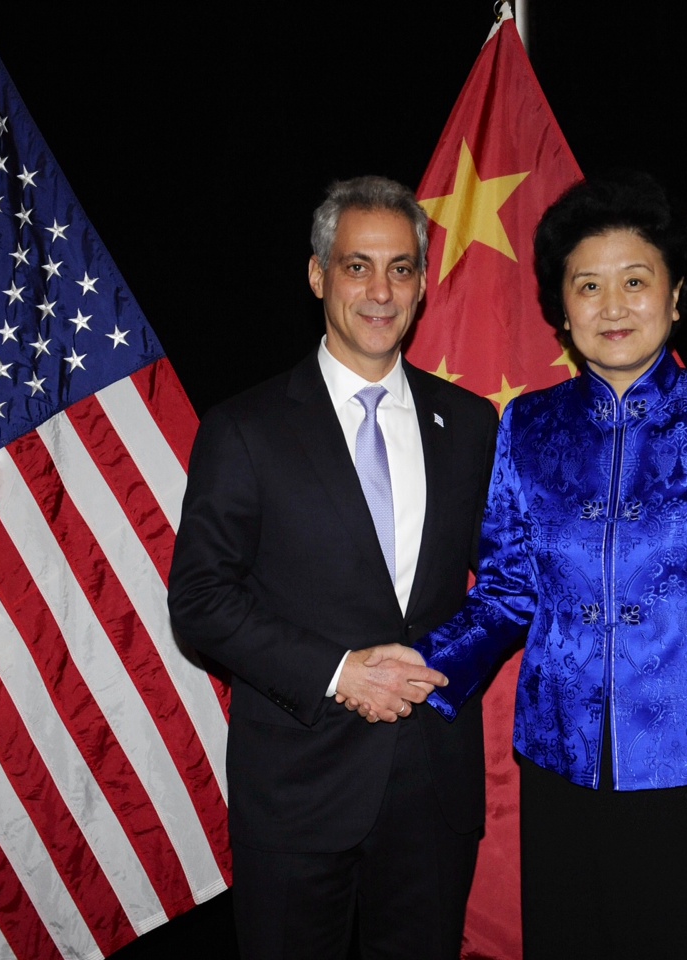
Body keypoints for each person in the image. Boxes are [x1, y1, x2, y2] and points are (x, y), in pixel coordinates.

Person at [356, 172, 687, 958]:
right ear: (562, 312)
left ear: (675, 297)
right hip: (565, 763)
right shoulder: (529, 426)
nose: (612, 306)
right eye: (588, 286)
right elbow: (506, 588)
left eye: (636, 282)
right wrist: (424, 664)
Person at [167, 176, 498, 960]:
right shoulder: (244, 429)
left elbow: (509, 581)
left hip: (433, 794)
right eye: (357, 267)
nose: (380, 291)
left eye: (402, 269)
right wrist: (339, 672)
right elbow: (201, 600)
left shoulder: (473, 424)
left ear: (422, 283)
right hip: (297, 791)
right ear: (318, 276)